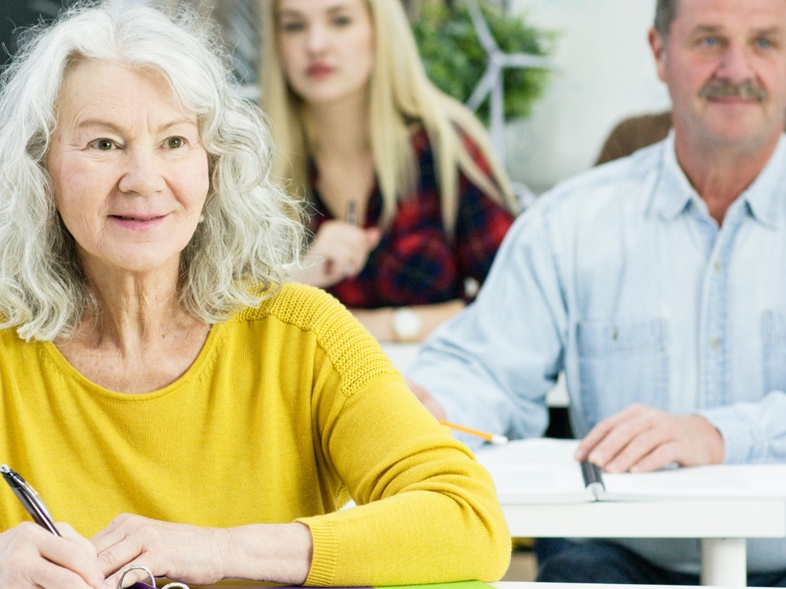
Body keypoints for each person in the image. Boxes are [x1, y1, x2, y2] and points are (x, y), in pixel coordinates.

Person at [0, 3, 511, 588]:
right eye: (103, 144)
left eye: (174, 141)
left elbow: (469, 520)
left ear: (214, 166)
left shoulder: (303, 334)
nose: (143, 179)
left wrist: (219, 549)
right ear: (39, 168)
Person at [408, 0, 786, 584]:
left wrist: (718, 434)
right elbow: (485, 369)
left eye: (765, 42)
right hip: (617, 558)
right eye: (710, 41)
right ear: (660, 53)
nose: (736, 68)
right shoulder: (571, 224)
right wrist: (440, 408)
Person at [260, 0, 519, 343]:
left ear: (380, 30)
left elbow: (518, 298)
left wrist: (391, 326)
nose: (316, 44)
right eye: (294, 26)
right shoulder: (252, 163)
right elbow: (219, 320)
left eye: (340, 21)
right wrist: (297, 275)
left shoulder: (444, 145)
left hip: (425, 376)